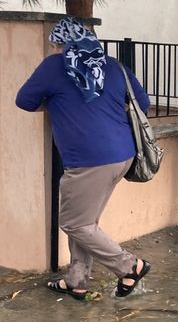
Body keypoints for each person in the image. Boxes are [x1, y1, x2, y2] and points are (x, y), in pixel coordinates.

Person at [15, 18, 151, 300]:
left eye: (54, 44)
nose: (52, 49)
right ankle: (77, 281)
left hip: (90, 161)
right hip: (123, 156)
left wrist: (56, 101)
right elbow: (144, 103)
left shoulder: (54, 65)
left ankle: (130, 266)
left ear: (61, 44)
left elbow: (24, 100)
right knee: (85, 221)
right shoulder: (113, 66)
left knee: (75, 223)